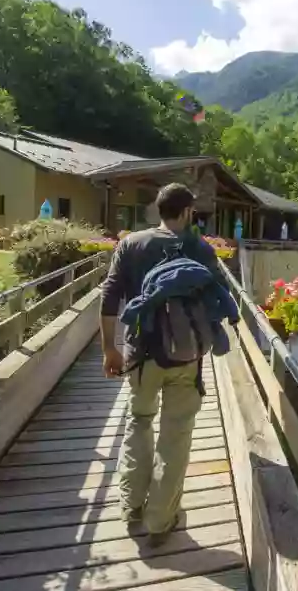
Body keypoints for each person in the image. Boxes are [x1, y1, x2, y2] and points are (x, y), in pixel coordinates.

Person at [100, 183, 221, 545]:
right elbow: (217, 301)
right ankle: (160, 520)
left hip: (140, 355)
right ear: (186, 212)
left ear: (158, 208)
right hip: (186, 358)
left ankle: (131, 504)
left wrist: (110, 349)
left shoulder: (132, 244)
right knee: (176, 435)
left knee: (138, 422)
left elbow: (109, 296)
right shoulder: (200, 248)